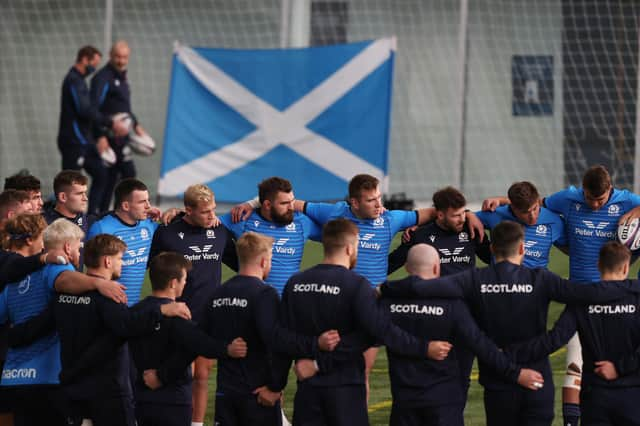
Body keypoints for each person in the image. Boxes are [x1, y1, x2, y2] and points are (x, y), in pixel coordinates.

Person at [379, 220, 635, 426]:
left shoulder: (473, 279)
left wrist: (386, 288)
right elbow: (587, 294)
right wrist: (631, 286)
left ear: (491, 250)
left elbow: (428, 286)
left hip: (498, 380)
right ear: (522, 248)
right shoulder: (542, 280)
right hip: (536, 380)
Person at [483, 165, 640, 425]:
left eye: (600, 199)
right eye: (590, 198)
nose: (595, 204)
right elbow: (537, 202)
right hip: (580, 292)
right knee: (575, 362)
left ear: (610, 189)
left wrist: (636, 211)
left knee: (618, 357)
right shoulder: (567, 198)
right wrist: (501, 201)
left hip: (615, 293)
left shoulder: (627, 200)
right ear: (582, 190)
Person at [277, 219, 453, 426]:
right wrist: (424, 348)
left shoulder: (295, 283)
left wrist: (275, 384)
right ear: (350, 248)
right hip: (346, 389)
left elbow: (281, 337)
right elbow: (374, 332)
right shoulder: (357, 285)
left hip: (307, 387)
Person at [380, 244, 543, 426]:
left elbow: (375, 334)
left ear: (407, 268)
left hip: (404, 403)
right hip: (444, 403)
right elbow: (480, 344)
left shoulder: (388, 303)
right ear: (437, 267)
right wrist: (516, 373)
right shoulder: (452, 305)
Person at [53, 234, 191, 426]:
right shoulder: (110, 295)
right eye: (120, 259)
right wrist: (161, 310)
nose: (122, 264)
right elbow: (127, 326)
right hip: (107, 391)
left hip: (71, 384)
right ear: (107, 261)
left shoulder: (64, 295)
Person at [508, 241, 640, 425]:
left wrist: (511, 354)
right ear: (626, 267)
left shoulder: (581, 300)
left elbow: (555, 339)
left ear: (598, 265)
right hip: (633, 394)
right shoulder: (636, 297)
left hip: (595, 395)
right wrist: (619, 368)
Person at [387, 186, 491, 403]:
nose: (461, 219)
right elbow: (392, 263)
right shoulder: (420, 235)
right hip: (432, 317)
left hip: (466, 316)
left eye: (464, 213)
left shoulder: (471, 231)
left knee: (462, 378)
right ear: (440, 214)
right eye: (456, 215)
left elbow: (496, 259)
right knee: (429, 374)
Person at [150, 184, 238, 424]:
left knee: (201, 375)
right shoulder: (167, 233)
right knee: (174, 374)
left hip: (208, 317)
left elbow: (241, 264)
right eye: (205, 212)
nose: (212, 215)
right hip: (175, 316)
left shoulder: (220, 232)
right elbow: (151, 268)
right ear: (188, 210)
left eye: (213, 209)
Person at [128, 252, 247, 426]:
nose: (185, 283)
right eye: (184, 279)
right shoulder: (179, 316)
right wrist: (227, 349)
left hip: (141, 399)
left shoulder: (135, 313)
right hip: (173, 401)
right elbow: (200, 345)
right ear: (173, 283)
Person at [221, 177, 322, 295]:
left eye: (292, 201)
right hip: (254, 303)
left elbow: (338, 235)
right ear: (267, 205)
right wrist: (234, 259)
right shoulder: (243, 218)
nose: (291, 207)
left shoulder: (302, 222)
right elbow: (208, 228)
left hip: (287, 304)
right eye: (284, 203)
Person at [56, 45, 128, 202]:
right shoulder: (73, 80)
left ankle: (93, 217)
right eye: (93, 64)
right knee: (69, 185)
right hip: (73, 141)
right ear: (84, 59)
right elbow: (84, 110)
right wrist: (110, 122)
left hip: (85, 141)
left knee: (102, 174)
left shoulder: (80, 81)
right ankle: (61, 218)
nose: (94, 68)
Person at [91, 40, 149, 213]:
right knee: (106, 179)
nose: (121, 61)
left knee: (128, 174)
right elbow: (92, 110)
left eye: (124, 57)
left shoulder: (123, 77)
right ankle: (96, 216)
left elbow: (125, 109)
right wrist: (100, 136)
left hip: (121, 139)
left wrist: (136, 125)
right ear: (110, 55)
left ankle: (120, 213)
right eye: (118, 56)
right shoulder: (102, 78)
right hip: (107, 138)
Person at [87, 178, 159, 305]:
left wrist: (173, 212)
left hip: (133, 307)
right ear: (125, 205)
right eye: (142, 202)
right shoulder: (101, 228)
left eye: (148, 200)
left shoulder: (149, 225)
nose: (148, 206)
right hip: (106, 305)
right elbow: (92, 270)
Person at [476, 181, 566, 269]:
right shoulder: (495, 214)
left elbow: (571, 248)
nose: (532, 216)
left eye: (535, 208)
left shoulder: (554, 220)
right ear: (513, 207)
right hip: (502, 281)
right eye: (525, 212)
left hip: (537, 283)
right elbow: (465, 219)